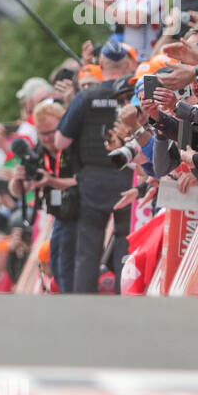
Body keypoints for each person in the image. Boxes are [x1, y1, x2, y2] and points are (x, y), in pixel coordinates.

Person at [54, 39, 137, 293]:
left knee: (88, 246)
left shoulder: (85, 97)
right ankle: (127, 296)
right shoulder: (133, 93)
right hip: (128, 177)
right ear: (127, 67)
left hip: (92, 180)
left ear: (100, 65)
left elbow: (60, 141)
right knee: (126, 240)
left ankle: (83, 306)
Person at [9, 100, 79, 292]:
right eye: (42, 134)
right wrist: (18, 180)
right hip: (59, 215)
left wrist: (52, 181)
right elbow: (19, 191)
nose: (48, 139)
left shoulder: (75, 147)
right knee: (56, 264)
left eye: (51, 132)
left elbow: (88, 182)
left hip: (83, 212)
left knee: (75, 266)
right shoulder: (37, 153)